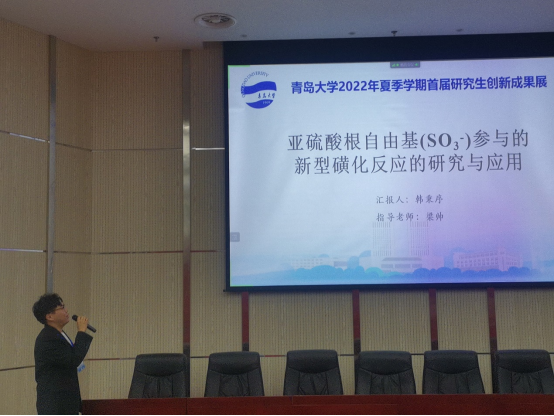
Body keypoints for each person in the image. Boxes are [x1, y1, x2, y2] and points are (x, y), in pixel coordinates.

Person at [33, 294, 93, 415]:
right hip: (55, 405)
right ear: (49, 316)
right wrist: (81, 332)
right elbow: (73, 360)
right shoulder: (48, 338)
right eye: (61, 308)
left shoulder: (59, 334)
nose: (66, 310)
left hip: (65, 402)